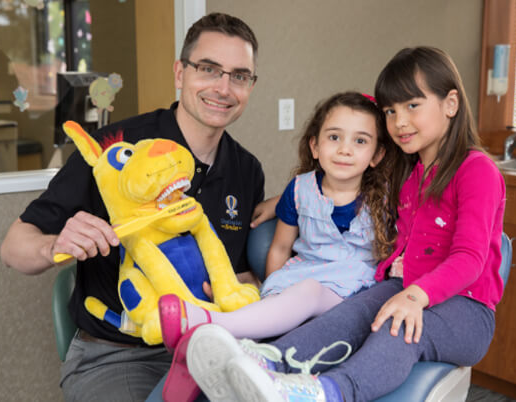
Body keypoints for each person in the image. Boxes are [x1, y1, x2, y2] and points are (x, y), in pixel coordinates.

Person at [182, 46, 507, 402]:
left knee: (396, 325)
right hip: (409, 287)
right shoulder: (411, 174)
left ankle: (328, 392)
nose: (399, 122)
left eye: (412, 106)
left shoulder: (476, 170)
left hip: (466, 309)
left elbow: (470, 257)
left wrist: (414, 294)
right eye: (390, 111)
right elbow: (345, 175)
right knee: (356, 311)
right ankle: (265, 363)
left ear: (450, 103)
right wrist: (283, 200)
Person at [0, 12, 274, 401]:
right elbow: (13, 247)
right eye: (209, 69)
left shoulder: (246, 169)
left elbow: (240, 272)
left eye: (240, 75)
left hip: (210, 348)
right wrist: (53, 245)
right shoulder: (115, 150)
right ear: (180, 73)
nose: (224, 88)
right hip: (117, 356)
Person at [157, 92, 396, 349]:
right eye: (334, 137)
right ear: (315, 147)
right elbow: (280, 247)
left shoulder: (386, 197)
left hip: (351, 287)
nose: (344, 149)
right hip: (303, 273)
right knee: (275, 308)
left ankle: (209, 325)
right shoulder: (299, 190)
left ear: (377, 155)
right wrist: (272, 291)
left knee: (309, 292)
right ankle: (210, 351)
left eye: (360, 141)